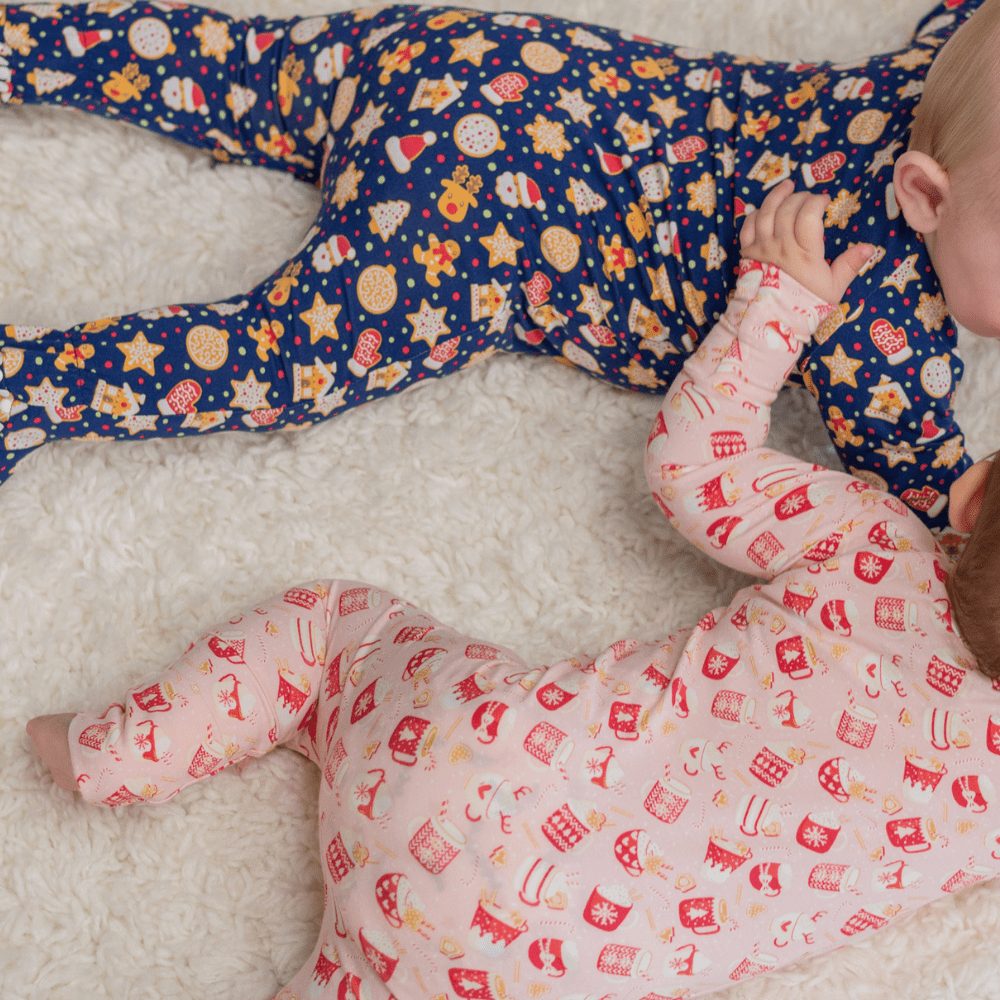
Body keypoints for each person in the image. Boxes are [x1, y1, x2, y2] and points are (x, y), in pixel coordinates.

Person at [26, 182, 1000, 999]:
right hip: (559, 963)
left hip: (472, 757)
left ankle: (121, 750)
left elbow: (694, 467)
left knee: (333, 631)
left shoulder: (876, 544)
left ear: (973, 492)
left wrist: (776, 301)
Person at [0, 0, 992, 531]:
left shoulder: (938, 67)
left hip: (482, 56)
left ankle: (30, 39)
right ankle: (27, 382)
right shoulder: (884, 329)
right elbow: (962, 520)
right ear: (923, 197)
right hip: (469, 224)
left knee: (236, 62)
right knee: (290, 358)